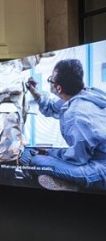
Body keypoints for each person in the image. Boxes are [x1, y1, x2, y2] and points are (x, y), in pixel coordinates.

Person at [20, 58, 106, 191]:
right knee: (40, 156)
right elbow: (52, 107)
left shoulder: (76, 115)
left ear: (58, 88)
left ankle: (74, 187)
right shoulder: (86, 94)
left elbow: (77, 159)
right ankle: (66, 182)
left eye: (51, 80)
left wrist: (50, 153)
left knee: (36, 161)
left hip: (99, 168)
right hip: (92, 156)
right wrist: (34, 91)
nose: (50, 82)